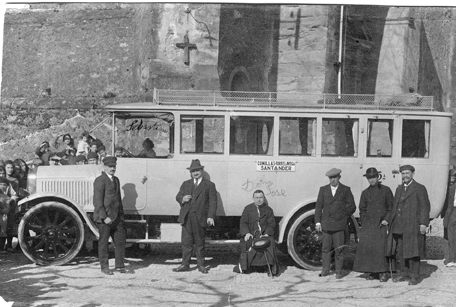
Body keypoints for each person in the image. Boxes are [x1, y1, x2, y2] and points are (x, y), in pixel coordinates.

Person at [386, 165, 430, 286]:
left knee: (414, 252)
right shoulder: (399, 189)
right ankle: (404, 274)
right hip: (399, 226)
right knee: (401, 251)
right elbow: (395, 207)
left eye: (407, 173)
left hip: (413, 225)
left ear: (412, 174)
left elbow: (425, 207)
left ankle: (415, 276)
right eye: (403, 173)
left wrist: (423, 224)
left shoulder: (419, 188)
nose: (405, 176)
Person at [173, 159, 217, 274]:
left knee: (199, 243)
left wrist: (210, 216)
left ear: (202, 171)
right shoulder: (186, 184)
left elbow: (213, 202)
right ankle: (185, 264)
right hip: (187, 217)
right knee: (186, 242)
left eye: (197, 170)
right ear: (190, 173)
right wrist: (182, 199)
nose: (195, 173)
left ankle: (201, 265)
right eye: (193, 171)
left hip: (200, 218)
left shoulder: (209, 185)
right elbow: (178, 196)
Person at [93, 156, 133, 275]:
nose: (112, 168)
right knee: (104, 243)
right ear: (104, 167)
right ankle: (104, 267)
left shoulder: (116, 180)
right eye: (110, 166)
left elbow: (118, 200)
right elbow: (97, 201)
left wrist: (121, 216)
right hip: (104, 219)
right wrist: (104, 217)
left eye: (114, 166)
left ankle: (120, 266)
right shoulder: (100, 180)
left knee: (120, 241)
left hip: (117, 218)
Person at [353, 168, 393, 282]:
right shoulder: (365, 193)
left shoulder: (386, 190)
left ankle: (382, 272)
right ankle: (372, 272)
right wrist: (364, 220)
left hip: (381, 224)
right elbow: (362, 209)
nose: (372, 180)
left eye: (374, 177)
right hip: (368, 225)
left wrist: (386, 219)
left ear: (378, 177)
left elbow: (391, 208)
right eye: (370, 178)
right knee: (369, 248)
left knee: (380, 249)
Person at [315, 168, 356, 279]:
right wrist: (318, 222)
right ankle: (325, 270)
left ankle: (338, 271)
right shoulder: (323, 190)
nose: (333, 180)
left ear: (339, 178)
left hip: (339, 225)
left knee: (339, 249)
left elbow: (352, 206)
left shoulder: (345, 190)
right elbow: (318, 207)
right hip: (326, 225)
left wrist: (343, 216)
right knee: (326, 249)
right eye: (331, 178)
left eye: (335, 177)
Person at [234, 190, 279, 276]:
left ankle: (270, 267)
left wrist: (267, 233)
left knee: (270, 242)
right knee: (246, 242)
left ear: (264, 198)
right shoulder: (247, 209)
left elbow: (271, 224)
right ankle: (246, 267)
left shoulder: (268, 210)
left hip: (264, 234)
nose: (259, 200)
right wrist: (246, 233)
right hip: (251, 234)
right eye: (257, 198)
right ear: (253, 199)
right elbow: (243, 223)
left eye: (261, 197)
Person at [444, 168, 456, 267]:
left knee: (452, 235)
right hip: (453, 211)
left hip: (453, 212)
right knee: (451, 235)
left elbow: (450, 206)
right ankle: (451, 258)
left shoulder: (452, 188)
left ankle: (452, 259)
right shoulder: (452, 188)